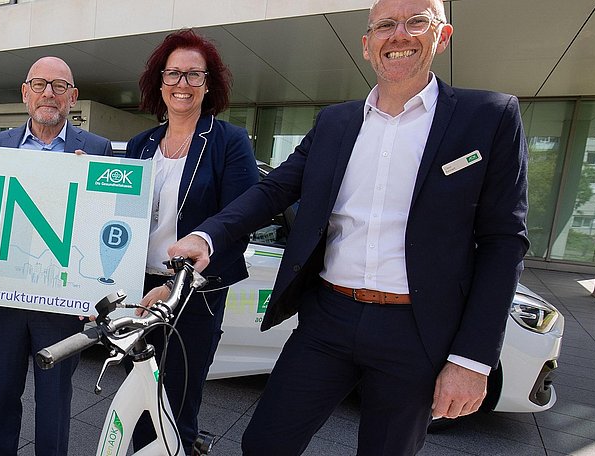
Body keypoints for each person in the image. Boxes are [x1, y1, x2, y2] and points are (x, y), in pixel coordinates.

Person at [167, 0, 529, 453]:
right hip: (329, 320)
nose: (398, 35)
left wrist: (472, 359)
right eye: (384, 26)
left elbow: (503, 241)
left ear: (442, 35)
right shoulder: (336, 121)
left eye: (416, 22)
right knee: (264, 443)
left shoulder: (489, 116)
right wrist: (209, 235)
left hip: (417, 331)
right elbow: (275, 188)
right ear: (366, 44)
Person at [0, 56, 111, 456]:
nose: (49, 93)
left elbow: (108, 223)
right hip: (4, 300)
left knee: (55, 405)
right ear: (25, 93)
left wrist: (95, 191)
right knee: (2, 399)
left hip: (61, 304)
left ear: (73, 97)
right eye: (40, 84)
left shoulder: (98, 150)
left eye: (59, 86)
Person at [127, 29, 260, 452]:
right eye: (173, 74)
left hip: (192, 293)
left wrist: (175, 284)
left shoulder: (228, 142)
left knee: (176, 405)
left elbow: (240, 221)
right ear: (159, 81)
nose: (182, 84)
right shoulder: (140, 144)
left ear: (209, 83)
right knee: (138, 399)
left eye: (193, 75)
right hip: (141, 291)